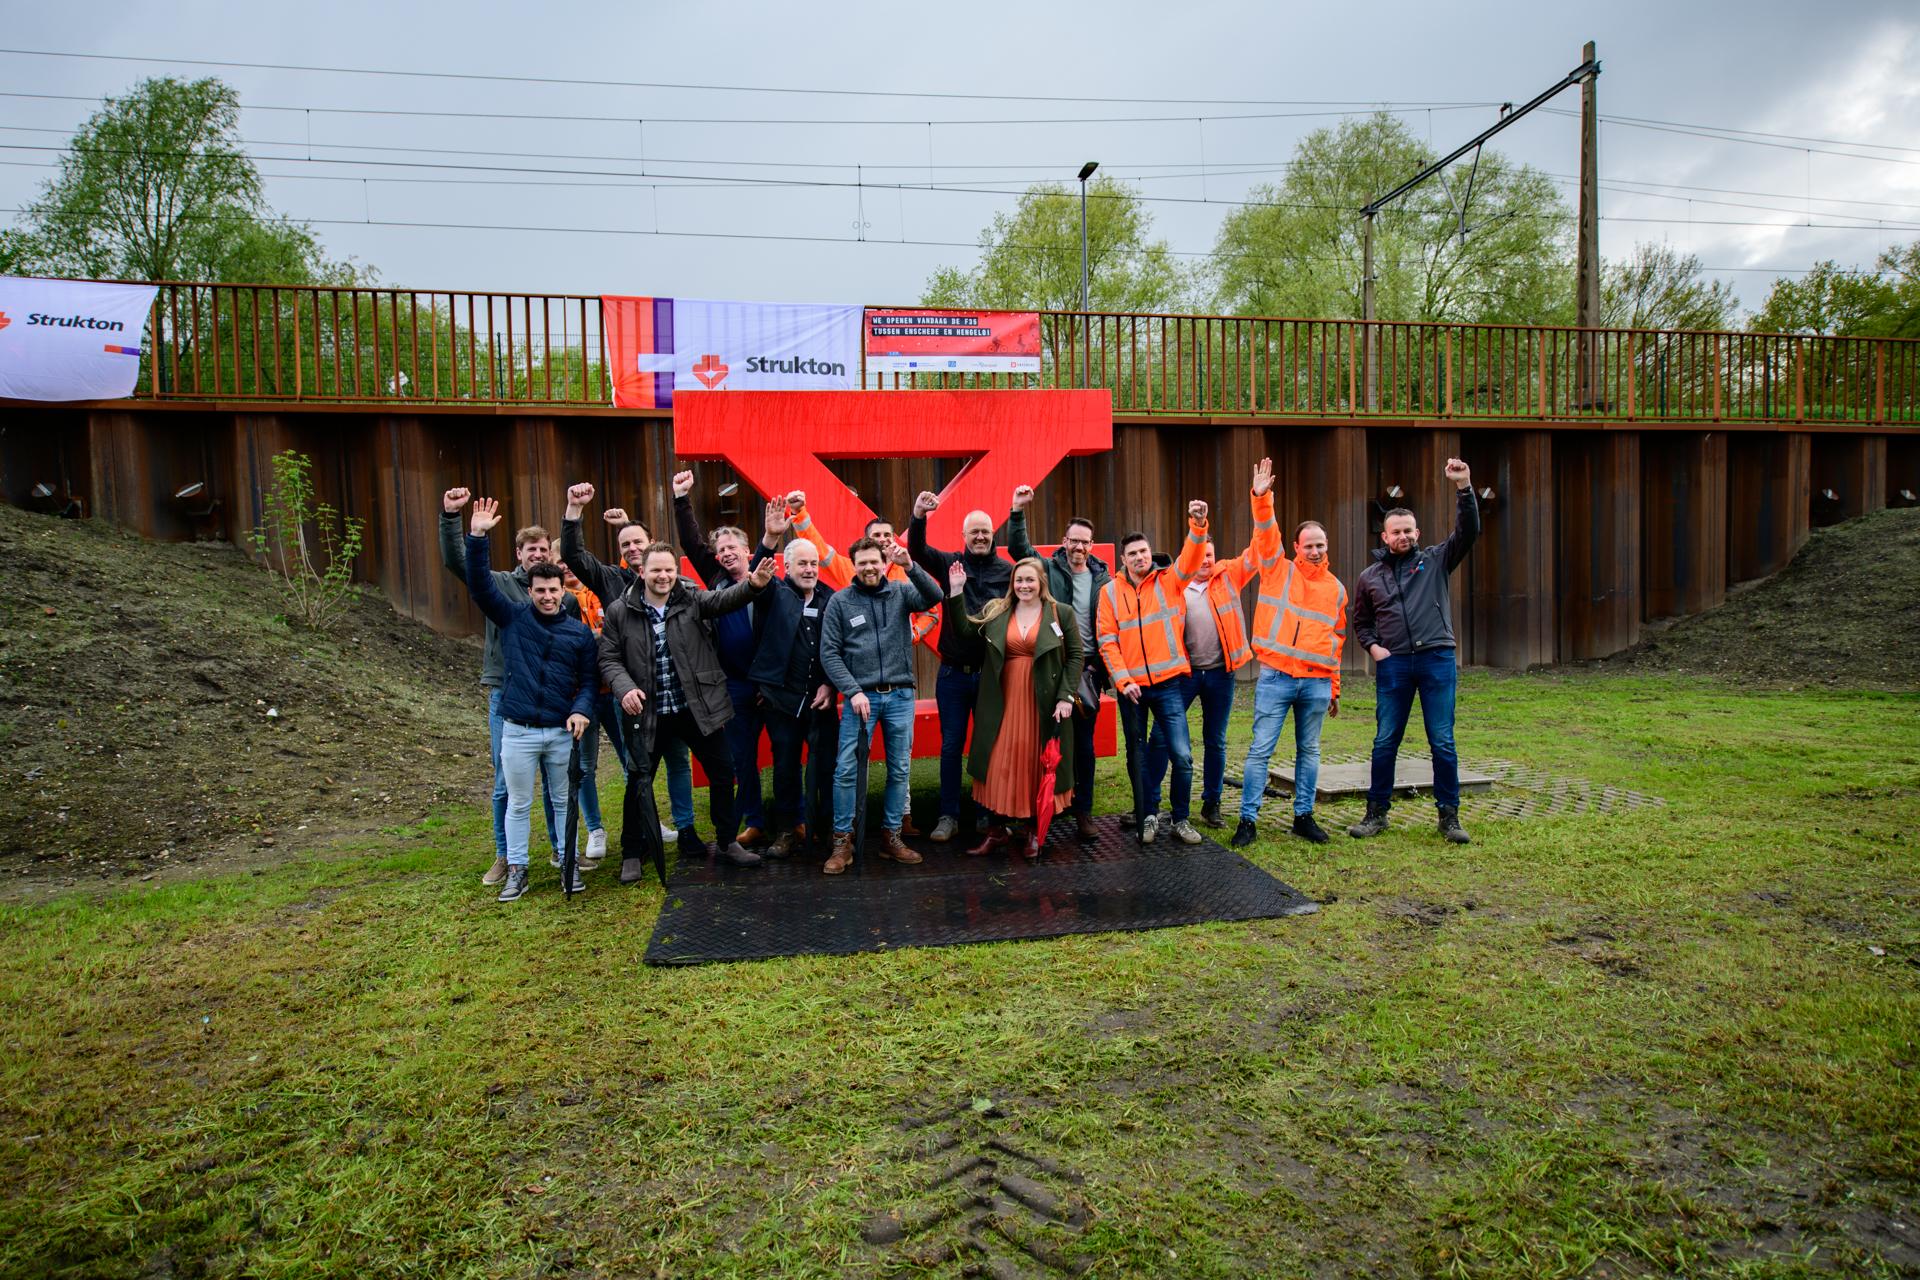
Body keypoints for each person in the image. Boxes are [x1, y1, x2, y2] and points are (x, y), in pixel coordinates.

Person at [599, 542, 776, 880]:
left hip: (696, 708)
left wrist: (753, 585)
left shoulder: (691, 598)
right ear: (642, 572)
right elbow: (608, 658)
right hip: (648, 712)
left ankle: (726, 842)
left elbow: (725, 600)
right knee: (639, 780)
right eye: (656, 570)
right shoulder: (621, 611)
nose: (663, 576)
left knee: (724, 774)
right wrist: (624, 688)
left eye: (669, 570)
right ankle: (633, 852)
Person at [459, 498, 597, 903]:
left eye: (554, 590)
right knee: (518, 804)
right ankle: (516, 869)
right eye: (540, 590)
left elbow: (588, 682)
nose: (547, 596)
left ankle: (566, 862)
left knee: (560, 801)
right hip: (517, 730)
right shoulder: (514, 618)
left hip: (558, 731)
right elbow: (480, 584)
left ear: (562, 590)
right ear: (531, 591)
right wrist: (478, 536)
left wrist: (580, 710)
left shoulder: (578, 633)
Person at [558, 484, 699, 854]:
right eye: (625, 546)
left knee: (678, 762)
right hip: (631, 694)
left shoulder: (675, 581)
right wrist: (574, 510)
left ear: (652, 544)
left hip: (673, 689)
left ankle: (686, 829)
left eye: (639, 543)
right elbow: (573, 554)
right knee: (636, 769)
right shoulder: (610, 580)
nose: (633, 549)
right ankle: (642, 833)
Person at [1348, 458, 1481, 844]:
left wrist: (1464, 487)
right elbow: (1361, 622)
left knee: (1441, 739)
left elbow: (1468, 531)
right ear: (1384, 537)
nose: (1403, 536)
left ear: (1417, 532)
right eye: (1396, 531)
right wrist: (1374, 649)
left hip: (1436, 658)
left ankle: (1449, 816)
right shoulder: (1369, 578)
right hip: (1394, 666)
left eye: (1408, 530)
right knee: (1385, 739)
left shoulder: (1436, 560)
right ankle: (1376, 813)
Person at [1231, 457, 1348, 849]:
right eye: (1309, 545)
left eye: (1321, 545)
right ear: (1296, 546)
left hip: (1315, 683)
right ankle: (1247, 820)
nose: (1315, 551)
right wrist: (1262, 497)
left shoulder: (1336, 589)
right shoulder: (1277, 568)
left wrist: (1333, 687)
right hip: (1277, 678)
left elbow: (1336, 642)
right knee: (1260, 750)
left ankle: (1303, 816)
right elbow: (1266, 531)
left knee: (1309, 752)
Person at [819, 538, 944, 875]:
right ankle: (842, 841)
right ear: (854, 565)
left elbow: (935, 596)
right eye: (863, 563)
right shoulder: (840, 602)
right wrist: (852, 690)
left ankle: (892, 837)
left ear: (883, 562)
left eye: (874, 561)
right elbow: (829, 652)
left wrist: (911, 566)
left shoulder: (902, 592)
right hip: (861, 698)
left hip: (900, 695)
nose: (869, 568)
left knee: (899, 769)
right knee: (846, 769)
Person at [944, 558, 1083, 858]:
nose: (1024, 585)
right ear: (1012, 583)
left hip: (1043, 701)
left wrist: (1066, 697)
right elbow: (966, 631)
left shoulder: (1061, 613)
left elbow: (1075, 656)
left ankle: (1033, 830)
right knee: (998, 761)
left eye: (1030, 580)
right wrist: (956, 592)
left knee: (1036, 761)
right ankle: (996, 831)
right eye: (1019, 580)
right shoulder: (998, 610)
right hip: (1001, 699)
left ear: (1041, 582)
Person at [1144, 482, 1260, 831]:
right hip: (1184, 674)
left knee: (1216, 739)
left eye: (1210, 555)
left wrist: (1259, 499)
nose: (1206, 561)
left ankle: (1211, 804)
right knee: (1162, 737)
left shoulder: (1230, 576)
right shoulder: (1173, 584)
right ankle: (1148, 803)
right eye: (1201, 555)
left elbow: (1259, 550)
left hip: (1220, 675)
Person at [1096, 502, 1211, 845]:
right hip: (1131, 689)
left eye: (1143, 551)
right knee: (1138, 755)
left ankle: (1180, 819)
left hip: (1168, 685)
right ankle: (1147, 815)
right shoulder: (1110, 593)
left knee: (1183, 755)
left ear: (1150, 554)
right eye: (1132, 553)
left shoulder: (1170, 581)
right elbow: (1107, 640)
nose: (1139, 557)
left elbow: (1191, 556)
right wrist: (1123, 680)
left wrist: (1198, 523)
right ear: (1123, 560)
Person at [673, 470, 777, 847]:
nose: (727, 553)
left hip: (771, 682)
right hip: (732, 685)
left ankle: (792, 819)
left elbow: (767, 547)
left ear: (748, 552)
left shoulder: (766, 577)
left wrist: (772, 535)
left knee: (783, 753)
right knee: (741, 757)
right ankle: (754, 821)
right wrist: (681, 498)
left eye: (734, 547)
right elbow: (689, 540)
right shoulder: (715, 579)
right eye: (722, 550)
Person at [908, 489, 1016, 844]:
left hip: (991, 675)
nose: (981, 536)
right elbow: (917, 552)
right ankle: (948, 815)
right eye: (974, 532)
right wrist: (919, 517)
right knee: (951, 745)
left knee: (989, 745)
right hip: (954, 674)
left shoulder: (1008, 571)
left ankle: (988, 813)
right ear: (964, 537)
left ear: (992, 534)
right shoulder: (950, 564)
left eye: (985, 531)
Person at [1007, 499, 1109, 841]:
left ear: (1091, 546)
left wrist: (1102, 671)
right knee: (1044, 740)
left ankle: (1083, 812)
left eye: (1085, 541)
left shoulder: (1102, 578)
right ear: (1064, 542)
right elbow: (1019, 547)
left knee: (1084, 746)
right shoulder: (1048, 568)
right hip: (1051, 666)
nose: (1079, 546)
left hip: (1087, 671)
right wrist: (1018, 512)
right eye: (1073, 540)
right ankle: (1047, 806)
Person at [748, 536, 838, 858]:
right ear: (787, 567)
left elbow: (839, 648)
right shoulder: (773, 593)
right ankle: (786, 831)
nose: (810, 569)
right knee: (785, 769)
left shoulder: (831, 598)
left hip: (822, 702)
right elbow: (755, 576)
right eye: (802, 563)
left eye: (814, 563)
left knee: (827, 769)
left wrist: (831, 685)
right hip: (781, 702)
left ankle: (828, 832)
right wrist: (768, 538)